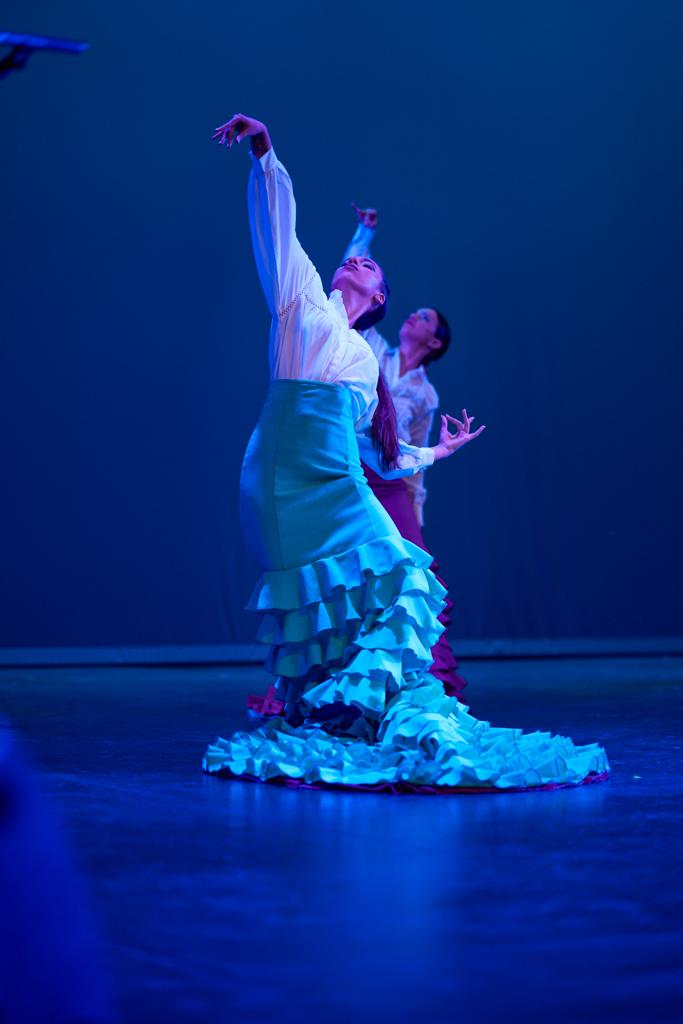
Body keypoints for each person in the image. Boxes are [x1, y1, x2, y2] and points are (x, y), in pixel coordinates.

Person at [203, 112, 609, 793]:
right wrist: (264, 153)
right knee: (386, 579)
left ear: (378, 297)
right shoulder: (300, 300)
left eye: (367, 263)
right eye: (352, 258)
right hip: (282, 475)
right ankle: (342, 701)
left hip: (335, 478)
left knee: (403, 577)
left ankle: (344, 707)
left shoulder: (368, 363)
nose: (354, 260)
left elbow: (381, 457)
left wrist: (436, 452)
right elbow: (279, 230)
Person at [344, 203, 467, 699]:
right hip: (358, 477)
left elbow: (414, 451)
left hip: (396, 488)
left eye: (424, 318)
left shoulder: (426, 393)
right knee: (357, 578)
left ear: (433, 341)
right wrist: (363, 235)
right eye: (412, 311)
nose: (413, 315)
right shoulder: (374, 348)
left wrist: (414, 507)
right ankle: (353, 682)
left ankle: (423, 684)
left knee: (409, 579)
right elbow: (355, 294)